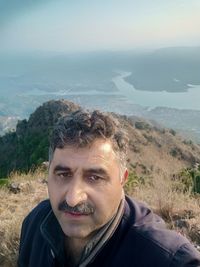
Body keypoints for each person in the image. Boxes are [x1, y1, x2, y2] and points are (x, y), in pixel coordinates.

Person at [18, 109, 200, 267]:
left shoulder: (167, 259)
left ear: (122, 180)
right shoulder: (35, 223)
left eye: (95, 177)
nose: (73, 198)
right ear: (48, 174)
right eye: (63, 175)